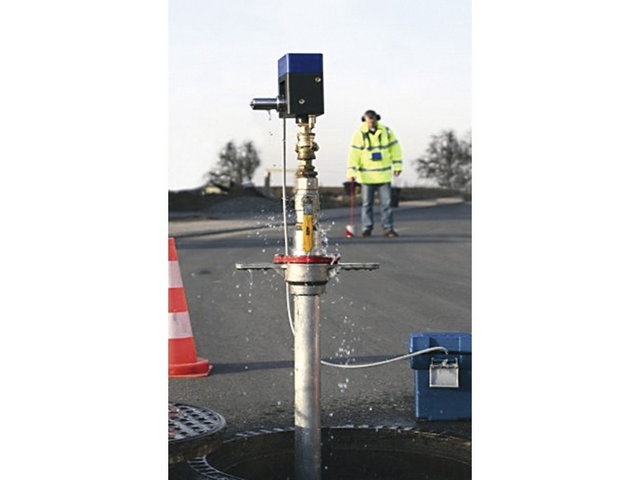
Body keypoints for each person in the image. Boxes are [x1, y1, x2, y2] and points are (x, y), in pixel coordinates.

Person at [347, 109, 403, 237]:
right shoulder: (359, 134)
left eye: (373, 120)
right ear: (364, 120)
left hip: (384, 175)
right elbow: (354, 154)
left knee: (386, 204)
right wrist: (351, 171)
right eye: (369, 121)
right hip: (367, 177)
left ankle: (388, 228)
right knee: (367, 204)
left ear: (377, 119)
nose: (371, 123)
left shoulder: (387, 132)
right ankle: (367, 228)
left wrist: (397, 165)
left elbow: (395, 149)